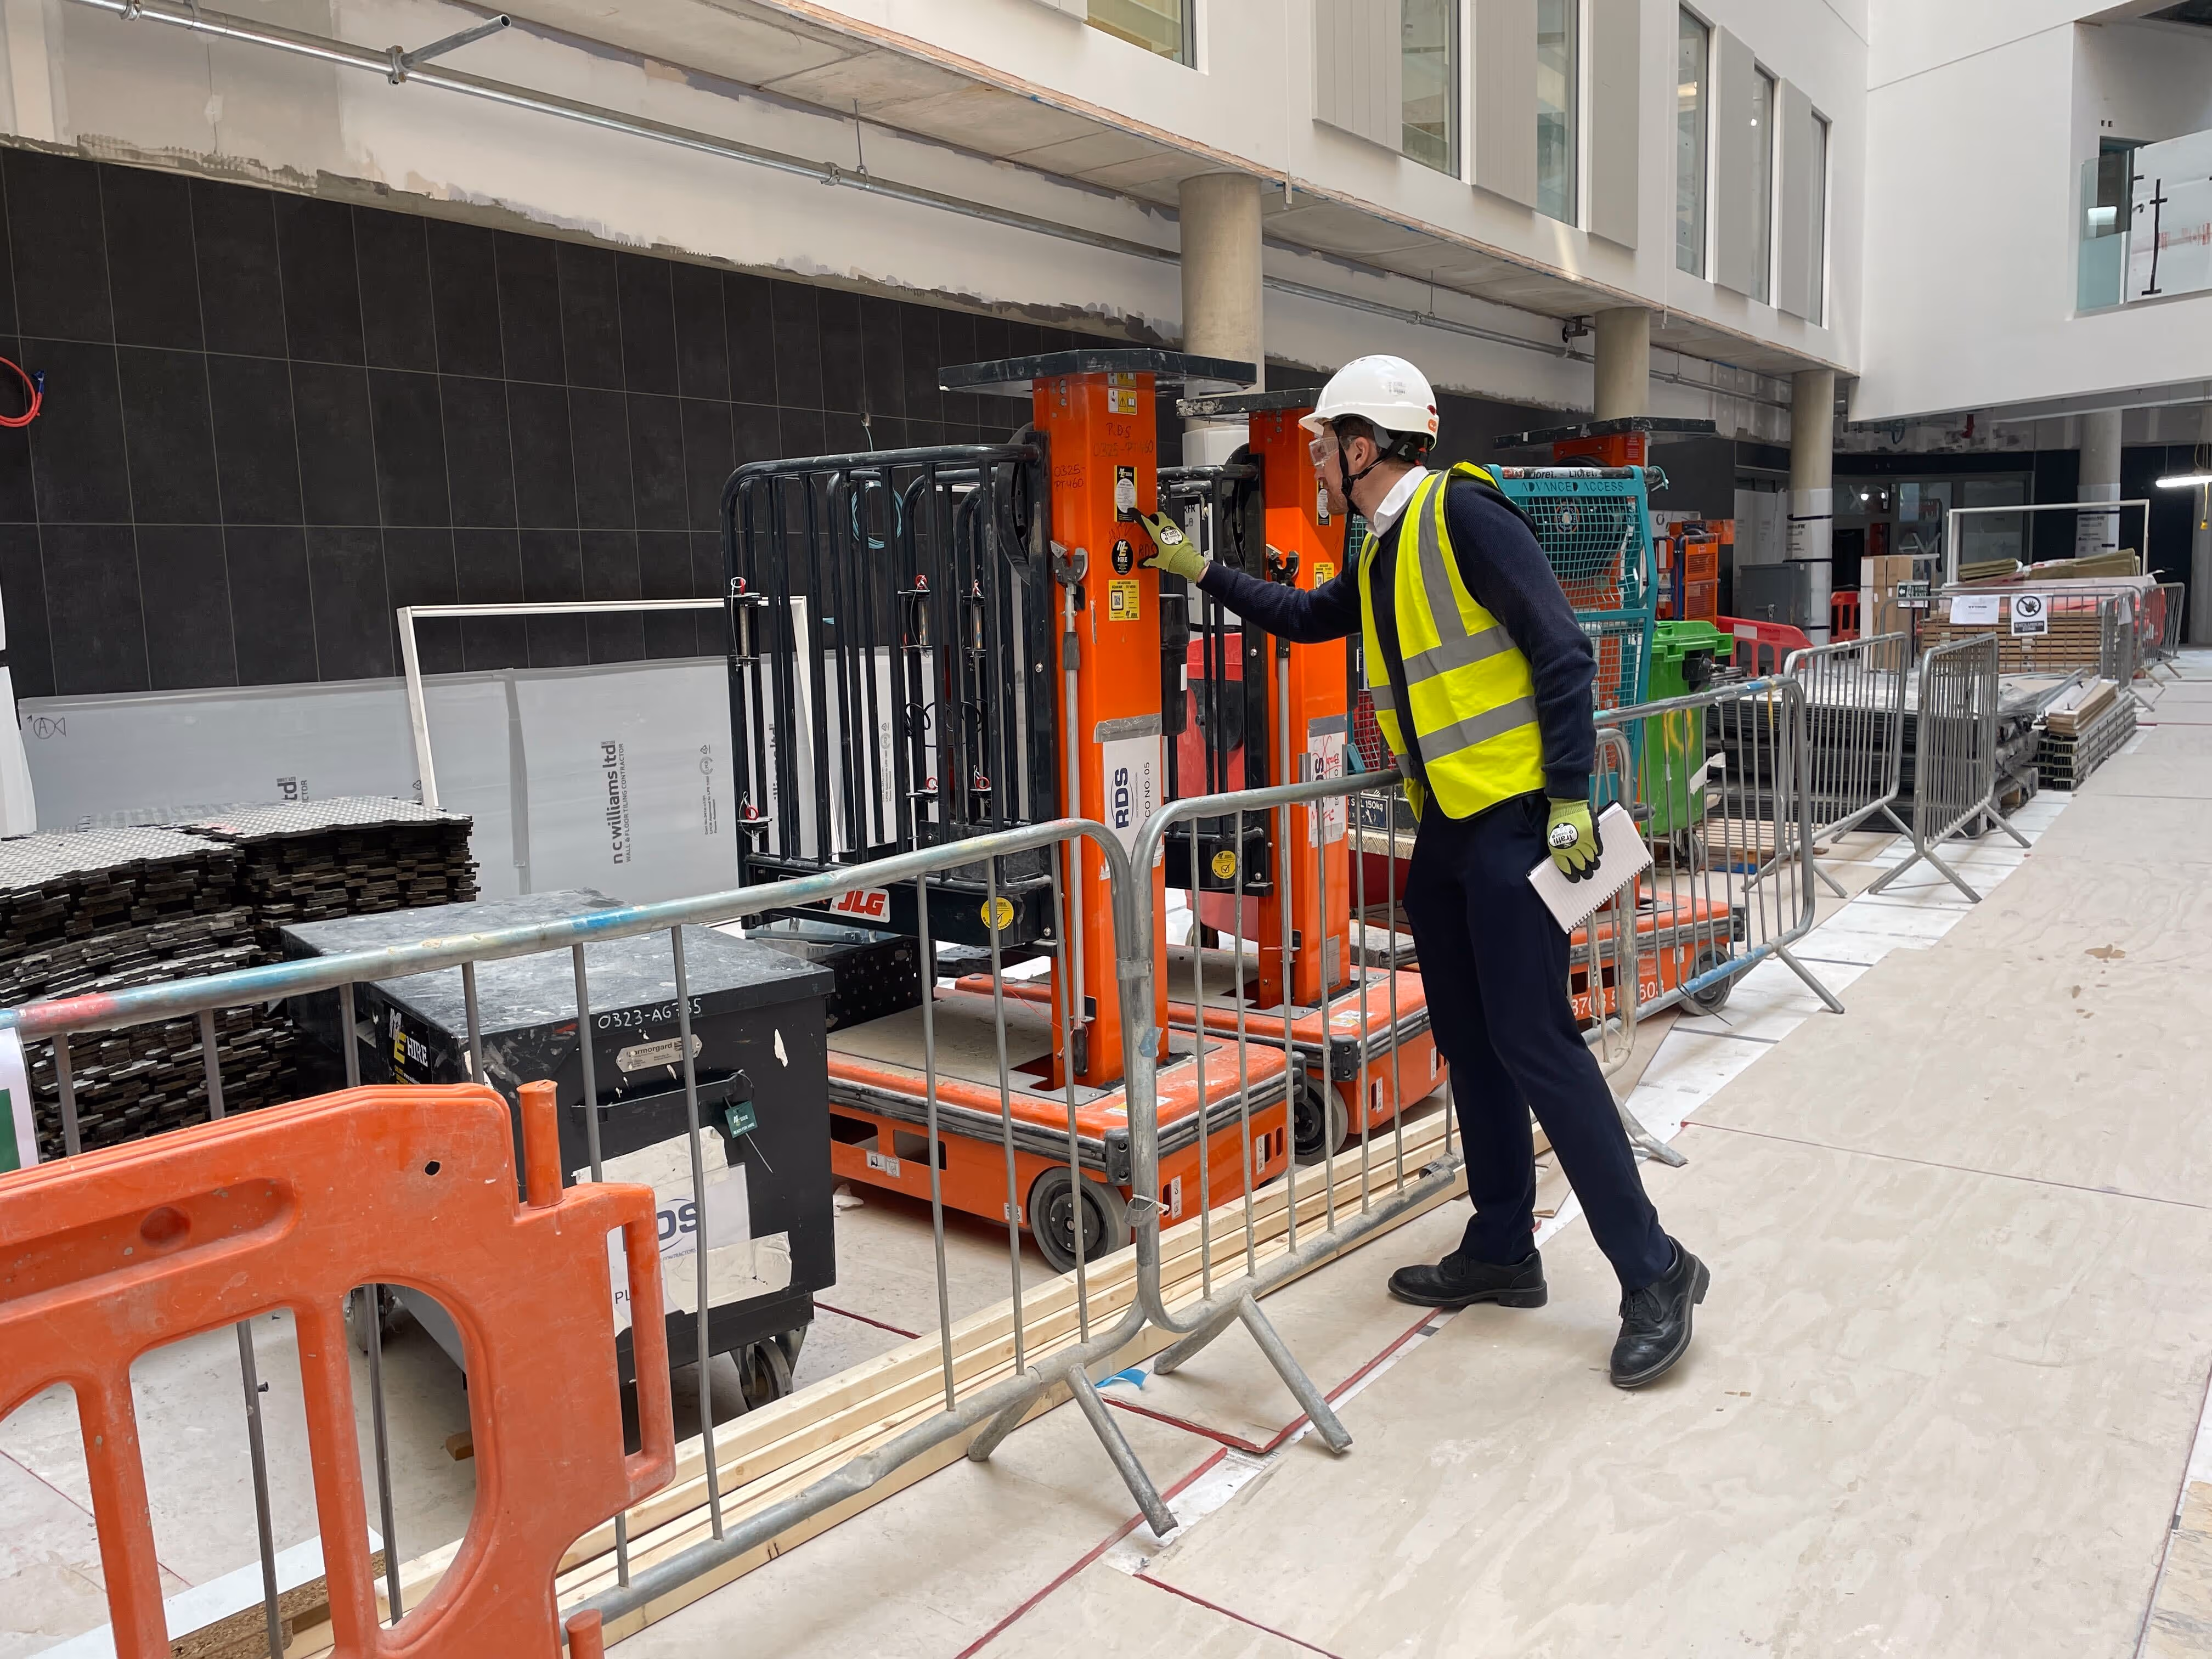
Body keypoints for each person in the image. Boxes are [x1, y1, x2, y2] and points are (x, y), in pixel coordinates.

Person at [1138, 354, 1707, 1389]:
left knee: (1540, 1045)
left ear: (1363, 446)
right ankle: (1502, 1245)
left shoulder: (1462, 517)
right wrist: (1199, 573)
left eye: (1322, 443)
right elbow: (1313, 619)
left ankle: (1656, 1269)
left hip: (1514, 823)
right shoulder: (1381, 547)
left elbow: (1564, 651)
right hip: (1447, 830)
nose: (1312, 459)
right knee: (1469, 1041)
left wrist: (1573, 793)